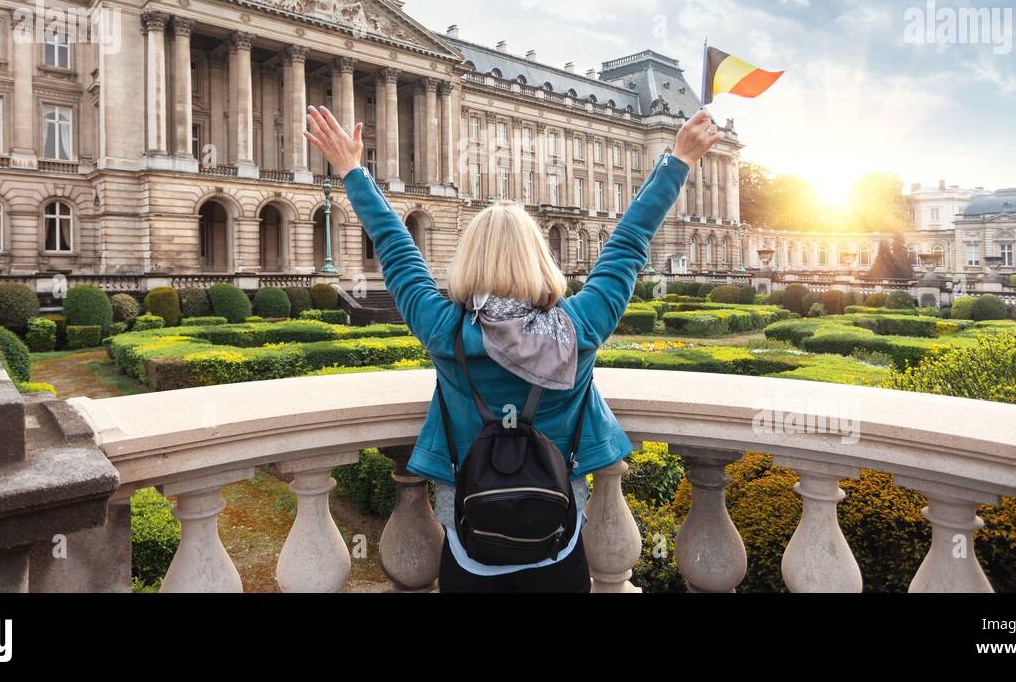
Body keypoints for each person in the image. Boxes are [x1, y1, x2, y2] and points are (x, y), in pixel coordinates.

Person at [305, 103, 720, 591]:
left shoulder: (444, 327)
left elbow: (396, 248)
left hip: (469, 535)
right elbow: (628, 243)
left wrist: (353, 170)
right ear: (539, 256)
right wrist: (679, 161)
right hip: (558, 535)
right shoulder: (579, 326)